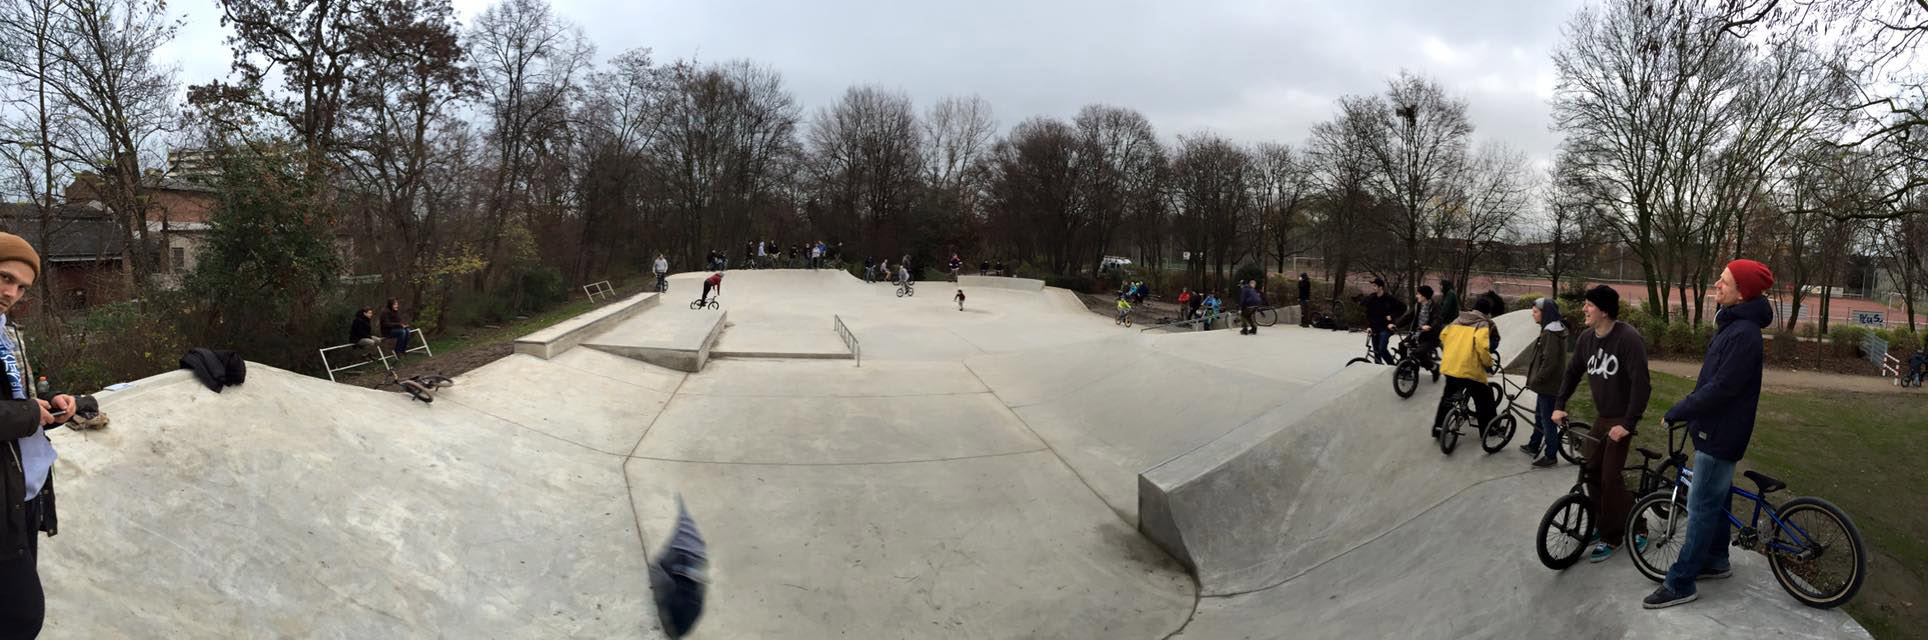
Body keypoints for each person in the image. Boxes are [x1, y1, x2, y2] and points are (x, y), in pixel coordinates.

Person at [1644, 260, 1775, 609]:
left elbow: (1722, 388)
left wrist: (1681, 409)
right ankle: (1716, 560)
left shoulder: (1744, 334)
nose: (1716, 284)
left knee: (1700, 507)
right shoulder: (1733, 324)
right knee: (1716, 502)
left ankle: (1681, 582)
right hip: (1714, 429)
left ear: (1742, 292)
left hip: (1721, 434)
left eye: (1725, 281)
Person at [0, 233, 99, 637]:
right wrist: (26, 415)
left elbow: (15, 393)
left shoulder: (7, 332)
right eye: (4, 278)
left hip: (21, 490)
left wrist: (48, 403)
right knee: (23, 616)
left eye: (22, 287)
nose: (12, 293)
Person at [1552, 285, 1652, 564]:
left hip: (1620, 420)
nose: (1583, 309)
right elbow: (1572, 374)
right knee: (1591, 472)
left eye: (1589, 305)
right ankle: (1604, 522)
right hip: (1602, 418)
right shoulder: (1586, 339)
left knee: (1610, 478)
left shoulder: (1628, 339)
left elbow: (1641, 386)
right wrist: (1559, 405)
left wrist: (1629, 424)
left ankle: (1625, 531)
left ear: (1604, 310)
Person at [1431, 292, 1501, 443]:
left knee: (1447, 398)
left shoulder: (1457, 320)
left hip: (1450, 367)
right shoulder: (1482, 323)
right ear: (1486, 312)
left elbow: (1443, 336)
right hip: (1469, 371)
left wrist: (1453, 351)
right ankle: (1489, 430)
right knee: (1484, 399)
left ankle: (1438, 429)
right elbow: (1482, 347)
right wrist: (1488, 363)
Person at [1521, 298, 1569, 468]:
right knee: (1539, 416)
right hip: (1548, 384)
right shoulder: (1552, 329)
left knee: (1548, 421)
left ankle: (1551, 455)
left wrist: (1538, 378)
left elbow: (1550, 361)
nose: (1533, 315)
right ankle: (1534, 444)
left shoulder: (1550, 332)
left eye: (1535, 312)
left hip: (1548, 385)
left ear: (1545, 313)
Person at [1363, 279, 1405, 364]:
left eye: (1375, 286)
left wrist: (1392, 316)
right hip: (1375, 328)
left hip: (1386, 328)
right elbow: (1368, 314)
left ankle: (1392, 367)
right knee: (1376, 352)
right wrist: (1368, 326)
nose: (1373, 287)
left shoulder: (1389, 298)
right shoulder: (1372, 298)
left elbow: (1403, 307)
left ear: (1380, 287)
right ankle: (1378, 370)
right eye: (1373, 285)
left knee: (1382, 349)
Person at [1403, 285, 1443, 365]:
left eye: (1418, 294)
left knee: (1417, 353)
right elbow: (1408, 317)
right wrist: (1395, 324)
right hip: (1416, 334)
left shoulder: (1435, 307)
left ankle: (1433, 367)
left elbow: (1437, 320)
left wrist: (1430, 327)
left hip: (1430, 337)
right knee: (1402, 346)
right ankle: (1405, 367)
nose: (1416, 296)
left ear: (1424, 296)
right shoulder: (1418, 306)